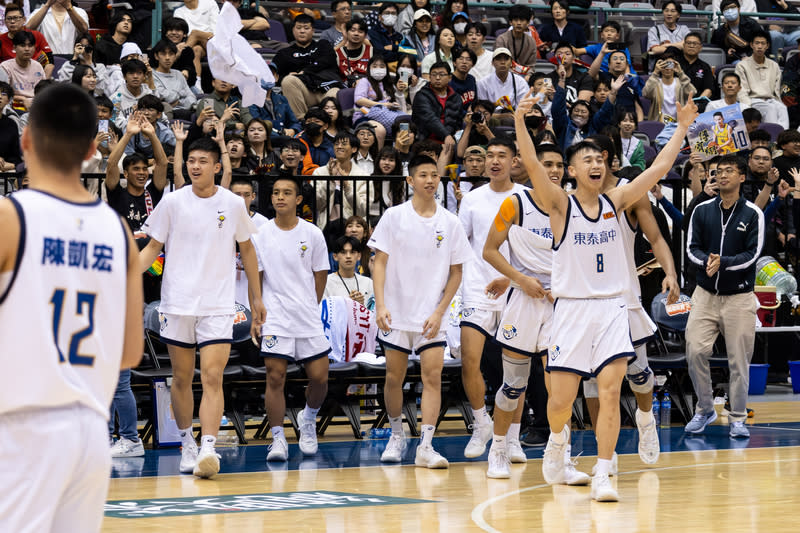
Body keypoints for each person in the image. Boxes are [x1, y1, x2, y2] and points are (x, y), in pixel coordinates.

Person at [514, 87, 697, 501]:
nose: (596, 163)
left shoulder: (618, 200)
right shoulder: (559, 204)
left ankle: (602, 470)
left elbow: (660, 167)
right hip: (571, 311)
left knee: (611, 390)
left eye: (600, 159)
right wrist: (522, 123)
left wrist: (682, 128)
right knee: (561, 402)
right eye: (587, 160)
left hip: (613, 307)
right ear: (573, 171)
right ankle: (558, 442)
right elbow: (529, 163)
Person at [0, 83, 143, 532]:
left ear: (25, 140)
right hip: (89, 430)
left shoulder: (10, 216)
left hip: (20, 427)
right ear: (90, 150)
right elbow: (129, 354)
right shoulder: (118, 229)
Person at [138, 136, 266, 479]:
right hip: (177, 302)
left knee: (212, 376)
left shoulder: (232, 203)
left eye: (201, 161)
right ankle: (186, 443)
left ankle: (208, 445)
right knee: (181, 378)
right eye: (191, 160)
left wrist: (256, 297)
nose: (194, 166)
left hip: (217, 304)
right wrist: (124, 276)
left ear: (217, 166)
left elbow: (248, 251)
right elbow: (152, 247)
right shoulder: (172, 202)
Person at [480, 141, 588, 479]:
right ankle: (498, 450)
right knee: (512, 385)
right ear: (532, 167)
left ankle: (561, 457)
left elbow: (579, 257)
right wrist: (518, 280)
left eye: (558, 165)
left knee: (561, 389)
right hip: (524, 302)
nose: (553, 171)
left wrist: (567, 288)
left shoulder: (573, 206)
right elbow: (489, 250)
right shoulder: (516, 203)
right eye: (547, 165)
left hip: (559, 304)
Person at [370, 155, 472, 468]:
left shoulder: (450, 222)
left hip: (432, 314)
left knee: (432, 376)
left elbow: (457, 272)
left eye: (434, 175)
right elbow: (380, 262)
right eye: (423, 175)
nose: (429, 180)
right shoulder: (393, 216)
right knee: (393, 377)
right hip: (396, 311)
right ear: (410, 180)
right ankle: (396, 434)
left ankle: (426, 445)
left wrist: (441, 311)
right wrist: (381, 304)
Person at [456, 137, 528, 461]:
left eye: (502, 155)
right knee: (469, 360)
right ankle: (481, 423)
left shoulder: (525, 198)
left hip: (515, 288)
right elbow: (459, 247)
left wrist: (516, 278)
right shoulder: (471, 199)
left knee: (516, 370)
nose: (495, 160)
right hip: (476, 287)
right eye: (490, 155)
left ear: (514, 161)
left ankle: (513, 437)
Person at [250, 176, 331, 461]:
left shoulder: (313, 233)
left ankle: (307, 418)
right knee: (275, 376)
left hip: (307, 316)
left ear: (298, 199)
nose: (279, 197)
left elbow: (320, 275)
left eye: (286, 193)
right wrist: (257, 313)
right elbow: (255, 279)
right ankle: (278, 439)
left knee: (320, 377)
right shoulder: (260, 234)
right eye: (275, 192)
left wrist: (308, 302)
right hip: (275, 317)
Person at [684, 154, 764, 439]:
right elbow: (691, 247)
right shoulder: (702, 210)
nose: (722, 175)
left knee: (738, 360)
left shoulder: (753, 213)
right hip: (704, 294)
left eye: (729, 171)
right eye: (717, 171)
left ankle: (738, 418)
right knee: (695, 349)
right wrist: (707, 261)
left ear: (742, 177)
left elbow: (753, 254)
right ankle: (706, 409)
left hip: (739, 296)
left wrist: (724, 262)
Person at [106, 110, 169, 232]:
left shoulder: (153, 193)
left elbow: (162, 163)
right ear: (125, 174)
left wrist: (152, 135)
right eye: (136, 169)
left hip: (149, 249)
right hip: (126, 247)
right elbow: (112, 163)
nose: (142, 172)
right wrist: (128, 134)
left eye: (144, 169)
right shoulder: (117, 193)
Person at [273, 14, 341, 120]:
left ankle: (329, 127)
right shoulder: (284, 53)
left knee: (335, 94)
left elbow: (327, 60)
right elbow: (273, 75)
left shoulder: (323, 45)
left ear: (313, 30)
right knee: (288, 80)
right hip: (304, 92)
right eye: (298, 28)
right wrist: (286, 76)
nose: (302, 31)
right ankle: (302, 121)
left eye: (306, 28)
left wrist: (305, 71)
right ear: (293, 30)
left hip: (326, 88)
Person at [735, 30, 789, 129]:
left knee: (782, 108)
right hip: (753, 100)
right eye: (757, 43)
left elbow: (776, 91)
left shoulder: (774, 65)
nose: (760, 46)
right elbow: (741, 91)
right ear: (751, 45)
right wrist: (747, 106)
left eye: (763, 43)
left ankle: (784, 137)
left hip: (771, 100)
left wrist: (778, 102)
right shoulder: (742, 65)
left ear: (767, 46)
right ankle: (772, 140)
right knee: (769, 109)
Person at [412, 61, 461, 148]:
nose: (437, 78)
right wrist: (446, 135)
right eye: (434, 74)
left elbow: (457, 121)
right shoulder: (422, 95)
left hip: (449, 140)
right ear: (430, 77)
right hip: (425, 140)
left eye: (441, 74)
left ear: (450, 78)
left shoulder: (456, 97)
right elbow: (429, 118)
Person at [0, 4, 52, 77]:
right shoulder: (1, 40)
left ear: (24, 20)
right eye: (9, 18)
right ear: (5, 22)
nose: (12, 21)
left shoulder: (36, 35)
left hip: (36, 77)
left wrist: (44, 84)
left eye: (15, 18)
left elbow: (50, 62)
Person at [324, 235, 374, 307]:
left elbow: (373, 311)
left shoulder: (368, 283)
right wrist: (349, 304)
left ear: (359, 256)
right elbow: (324, 311)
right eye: (343, 252)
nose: (348, 256)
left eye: (352, 252)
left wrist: (361, 306)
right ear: (335, 256)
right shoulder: (326, 282)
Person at [152, 38, 197, 115]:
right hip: (165, 114)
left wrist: (178, 102)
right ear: (156, 56)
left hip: (185, 111)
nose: (167, 58)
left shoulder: (178, 74)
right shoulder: (152, 75)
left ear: (175, 56)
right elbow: (166, 97)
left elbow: (191, 96)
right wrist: (181, 95)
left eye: (171, 54)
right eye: (163, 54)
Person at [0, 31, 43, 109]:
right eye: (22, 45)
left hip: (37, 105)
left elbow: (44, 90)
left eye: (30, 46)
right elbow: (3, 93)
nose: (27, 49)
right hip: (14, 106)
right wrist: (23, 99)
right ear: (14, 48)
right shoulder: (5, 67)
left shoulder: (38, 66)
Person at [646, 2, 691, 70]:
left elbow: (688, 45)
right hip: (660, 67)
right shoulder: (654, 30)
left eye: (673, 11)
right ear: (663, 12)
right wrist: (679, 48)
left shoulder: (684, 29)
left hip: (681, 68)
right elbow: (655, 50)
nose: (669, 14)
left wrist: (666, 45)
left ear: (678, 15)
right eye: (666, 10)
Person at [496, 5, 539, 72]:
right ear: (510, 22)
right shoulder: (502, 39)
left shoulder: (531, 41)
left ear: (528, 23)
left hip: (524, 75)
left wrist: (528, 75)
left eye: (522, 20)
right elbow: (500, 63)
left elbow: (531, 66)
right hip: (505, 74)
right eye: (516, 20)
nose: (519, 23)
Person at [334, 19, 372, 86]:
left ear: (365, 35)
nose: (356, 34)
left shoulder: (371, 51)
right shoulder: (338, 54)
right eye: (352, 30)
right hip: (344, 90)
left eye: (360, 31)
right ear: (346, 32)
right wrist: (344, 40)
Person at [678, 31, 715, 101]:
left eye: (695, 43)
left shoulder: (705, 67)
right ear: (683, 45)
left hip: (697, 104)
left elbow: (708, 89)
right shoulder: (675, 64)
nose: (691, 46)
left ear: (700, 47)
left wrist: (696, 102)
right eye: (688, 43)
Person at [449, 47, 477, 112]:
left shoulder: (471, 79)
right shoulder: (448, 80)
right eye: (461, 58)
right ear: (454, 63)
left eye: (468, 59)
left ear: (473, 64)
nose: (464, 62)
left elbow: (475, 101)